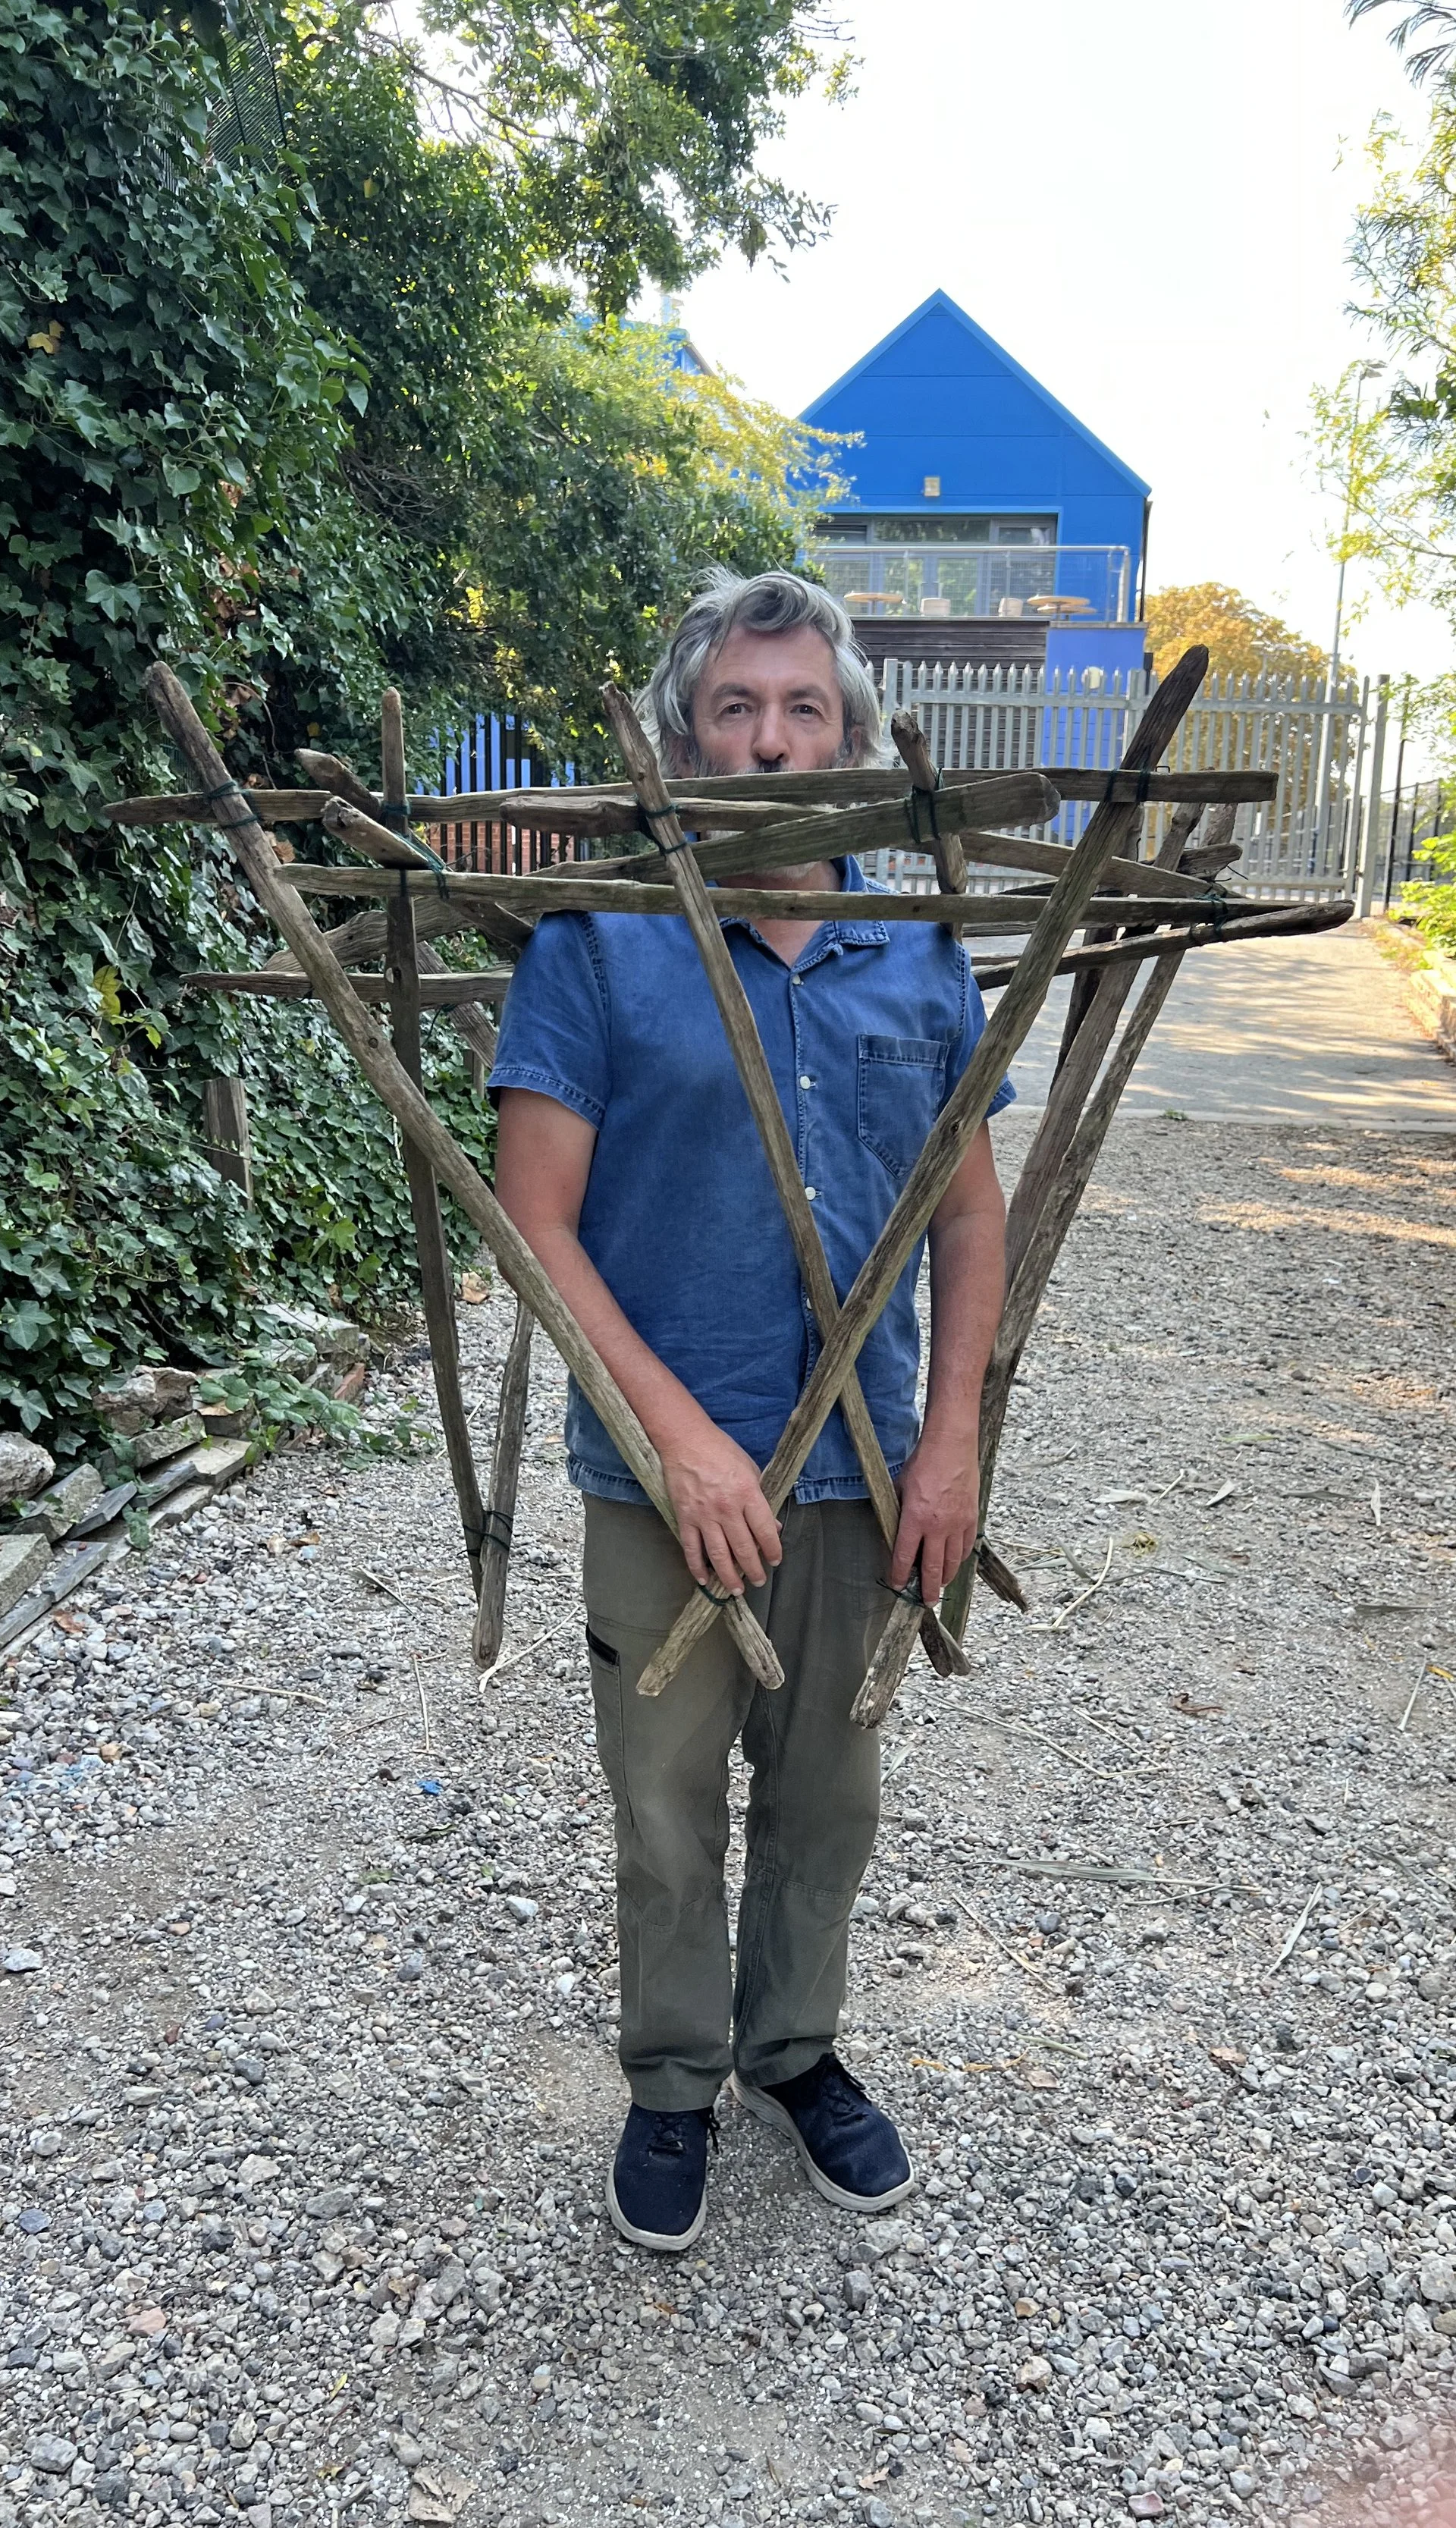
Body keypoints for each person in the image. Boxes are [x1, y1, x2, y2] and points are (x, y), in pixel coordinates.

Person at [488, 568, 1010, 2251]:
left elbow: (968, 1211)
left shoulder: (913, 954)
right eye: (736, 709)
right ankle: (669, 2077)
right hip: (660, 1473)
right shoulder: (603, 940)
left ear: (852, 737)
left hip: (861, 1461)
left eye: (804, 711)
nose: (774, 746)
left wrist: (952, 1442)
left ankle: (794, 2052)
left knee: (829, 1795)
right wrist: (682, 1438)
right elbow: (535, 1220)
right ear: (678, 738)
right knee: (660, 1793)